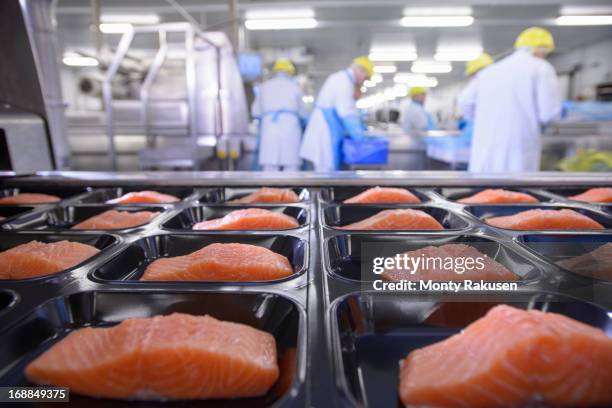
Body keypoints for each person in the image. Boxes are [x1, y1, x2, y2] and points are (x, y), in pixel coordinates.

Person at [458, 27, 561, 172]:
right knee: (515, 192)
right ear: (541, 50)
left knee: (484, 192)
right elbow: (548, 114)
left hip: (484, 156)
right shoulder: (541, 67)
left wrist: (483, 120)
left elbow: (464, 101)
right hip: (518, 153)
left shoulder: (489, 71)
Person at [299, 56, 373, 171]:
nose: (364, 80)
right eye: (366, 77)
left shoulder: (344, 80)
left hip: (328, 129)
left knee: (326, 169)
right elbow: (346, 112)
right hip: (325, 130)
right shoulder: (343, 81)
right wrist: (358, 135)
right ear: (361, 70)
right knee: (325, 169)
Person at [251, 58, 307, 171]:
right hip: (291, 126)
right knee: (292, 164)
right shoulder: (295, 87)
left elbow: (255, 111)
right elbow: (303, 113)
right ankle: (292, 188)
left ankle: (269, 187)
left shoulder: (264, 86)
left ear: (275, 71)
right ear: (290, 72)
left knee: (269, 164)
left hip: (269, 126)